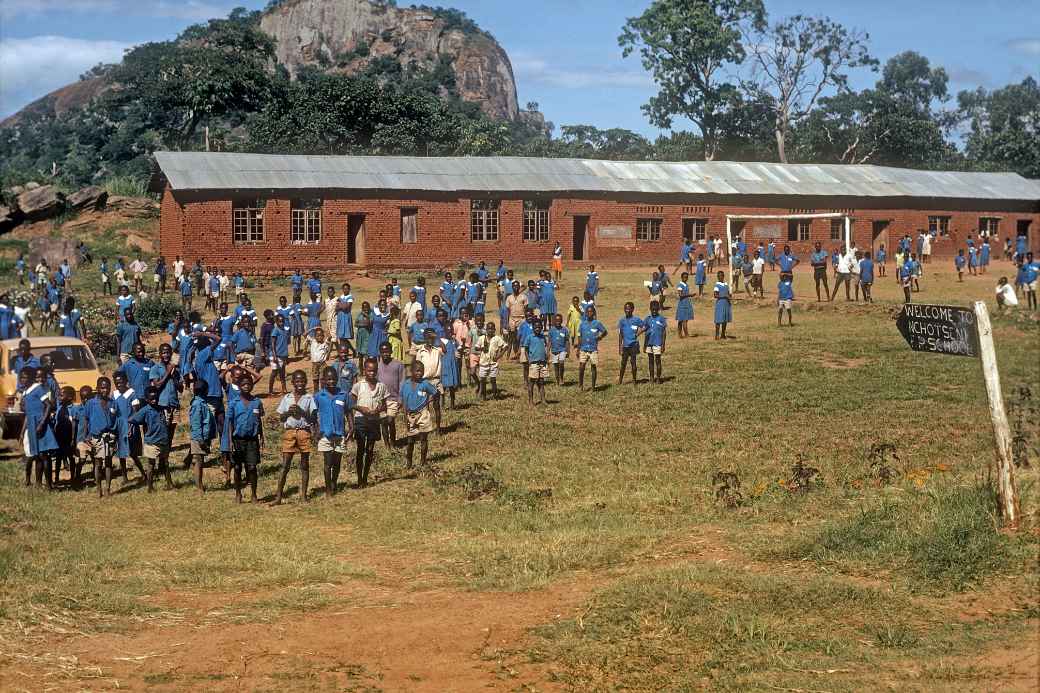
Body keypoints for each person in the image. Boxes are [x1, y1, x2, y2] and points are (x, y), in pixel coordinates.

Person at [273, 370, 316, 504]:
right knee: (285, 465)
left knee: (304, 465)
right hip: (290, 432)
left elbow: (313, 418)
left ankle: (303, 496)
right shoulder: (287, 398)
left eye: (302, 381)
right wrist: (288, 413)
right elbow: (281, 417)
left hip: (304, 432)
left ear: (306, 382)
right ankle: (278, 497)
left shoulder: (309, 398)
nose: (300, 384)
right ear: (292, 383)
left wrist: (302, 412)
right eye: (297, 381)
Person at [227, 373, 264, 504]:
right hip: (238, 440)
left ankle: (254, 494)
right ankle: (238, 494)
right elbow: (230, 423)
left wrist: (262, 437)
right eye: (243, 384)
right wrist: (230, 441)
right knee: (237, 467)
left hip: (252, 440)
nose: (246, 386)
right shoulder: (234, 403)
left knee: (252, 467)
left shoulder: (257, 402)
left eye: (249, 384)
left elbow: (259, 421)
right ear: (239, 386)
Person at [351, 358, 388, 488]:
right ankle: (359, 479)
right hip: (361, 419)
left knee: (370, 449)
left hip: (374, 420)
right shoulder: (359, 385)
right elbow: (352, 404)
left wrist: (378, 410)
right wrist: (362, 408)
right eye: (369, 370)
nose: (371, 373)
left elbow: (384, 405)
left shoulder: (381, 386)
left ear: (377, 371)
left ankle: (365, 478)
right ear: (364, 370)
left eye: (374, 371)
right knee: (360, 449)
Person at [19, 367, 58, 489]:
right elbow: (28, 414)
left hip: (40, 425)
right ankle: (38, 483)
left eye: (25, 377)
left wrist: (42, 423)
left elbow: (48, 405)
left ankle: (49, 485)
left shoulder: (38, 389)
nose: (22, 380)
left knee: (44, 455)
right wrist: (22, 432)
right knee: (37, 456)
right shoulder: (25, 392)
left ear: (31, 378)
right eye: (21, 377)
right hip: (31, 426)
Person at [128, 386, 172, 492]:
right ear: (147, 399)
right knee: (151, 465)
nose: (154, 400)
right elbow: (132, 419)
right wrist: (134, 427)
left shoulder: (161, 409)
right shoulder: (145, 411)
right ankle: (150, 487)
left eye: (156, 398)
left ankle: (170, 484)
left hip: (163, 440)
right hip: (152, 442)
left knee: (166, 463)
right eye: (151, 399)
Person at [81, 376, 118, 498]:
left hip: (109, 436)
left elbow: (116, 420)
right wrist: (86, 436)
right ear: (97, 388)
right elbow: (86, 419)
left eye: (107, 388)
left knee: (108, 463)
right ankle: (98, 489)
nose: (105, 390)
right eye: (102, 388)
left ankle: (107, 488)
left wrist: (116, 436)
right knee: (97, 463)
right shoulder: (91, 403)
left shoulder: (113, 402)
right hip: (96, 436)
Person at [400, 361, 438, 472]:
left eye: (421, 371)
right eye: (417, 371)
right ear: (411, 371)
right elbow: (404, 402)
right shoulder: (406, 385)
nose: (419, 373)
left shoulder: (425, 383)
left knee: (423, 438)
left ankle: (423, 461)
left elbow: (435, 392)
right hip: (410, 414)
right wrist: (405, 416)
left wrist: (430, 399)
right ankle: (409, 461)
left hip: (423, 413)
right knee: (410, 439)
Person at [188, 380, 216, 494]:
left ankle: (200, 485)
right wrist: (200, 440)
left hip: (203, 436)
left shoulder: (202, 403)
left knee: (200, 461)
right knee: (198, 461)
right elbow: (196, 423)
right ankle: (199, 487)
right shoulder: (197, 404)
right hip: (199, 438)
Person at [377, 342, 406, 448]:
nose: (385, 354)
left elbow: (402, 381)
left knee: (390, 420)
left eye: (387, 351)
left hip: (393, 398)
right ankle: (387, 444)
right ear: (380, 352)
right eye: (383, 352)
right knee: (383, 422)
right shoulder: (378, 366)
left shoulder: (398, 365)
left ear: (391, 351)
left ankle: (393, 442)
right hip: (381, 400)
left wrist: (400, 398)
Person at [576, 306, 607, 392]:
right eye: (588, 312)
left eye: (591, 312)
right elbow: (579, 337)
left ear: (593, 313)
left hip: (593, 349)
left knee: (593, 367)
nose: (589, 313)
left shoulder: (597, 323)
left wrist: (600, 337)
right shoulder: (582, 324)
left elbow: (605, 331)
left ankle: (593, 387)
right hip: (583, 349)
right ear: (585, 313)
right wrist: (578, 349)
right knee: (581, 367)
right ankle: (580, 385)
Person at [617, 302, 644, 386]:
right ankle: (620, 380)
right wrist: (620, 347)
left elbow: (644, 326)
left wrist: (638, 333)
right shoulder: (622, 321)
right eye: (625, 308)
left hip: (633, 344)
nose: (627, 310)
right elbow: (620, 334)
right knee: (623, 363)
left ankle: (634, 380)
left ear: (632, 309)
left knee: (633, 362)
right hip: (625, 346)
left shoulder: (636, 320)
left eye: (629, 308)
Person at [523, 319, 549, 405]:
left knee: (541, 382)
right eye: (535, 327)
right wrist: (529, 360)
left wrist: (546, 357)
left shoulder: (543, 337)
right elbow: (526, 349)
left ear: (541, 327)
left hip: (542, 362)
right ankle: (531, 401)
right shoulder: (529, 337)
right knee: (532, 382)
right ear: (533, 328)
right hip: (534, 363)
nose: (537, 329)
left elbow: (545, 347)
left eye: (539, 327)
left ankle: (543, 400)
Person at [643, 301, 667, 385]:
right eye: (652, 310)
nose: (654, 311)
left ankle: (658, 378)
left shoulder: (661, 319)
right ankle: (651, 378)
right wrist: (644, 345)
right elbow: (645, 332)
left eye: (656, 310)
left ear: (658, 309)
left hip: (658, 343)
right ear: (650, 309)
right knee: (650, 361)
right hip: (649, 343)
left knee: (658, 360)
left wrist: (663, 344)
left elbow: (664, 332)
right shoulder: (647, 319)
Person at [548, 313, 570, 387]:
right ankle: (557, 380)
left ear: (561, 321)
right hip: (554, 351)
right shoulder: (551, 330)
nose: (557, 322)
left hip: (562, 350)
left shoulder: (565, 330)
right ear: (554, 321)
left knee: (561, 362)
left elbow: (567, 341)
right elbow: (549, 341)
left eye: (559, 320)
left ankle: (561, 378)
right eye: (556, 320)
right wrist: (547, 351)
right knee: (556, 366)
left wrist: (568, 351)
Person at [713, 271, 733, 340]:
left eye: (722, 276)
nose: (720, 277)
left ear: (723, 276)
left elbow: (728, 293)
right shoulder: (716, 285)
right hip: (720, 304)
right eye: (719, 276)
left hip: (726, 303)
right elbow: (715, 295)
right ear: (717, 277)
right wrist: (724, 296)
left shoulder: (726, 284)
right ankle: (716, 335)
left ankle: (723, 334)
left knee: (725, 320)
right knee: (718, 320)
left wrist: (729, 296)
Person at [675, 272, 694, 338]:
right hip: (682, 303)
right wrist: (690, 295)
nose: (686, 278)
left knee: (682, 319)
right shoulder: (680, 285)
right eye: (684, 277)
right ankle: (686, 334)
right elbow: (680, 295)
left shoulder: (686, 284)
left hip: (686, 302)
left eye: (686, 277)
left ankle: (680, 334)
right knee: (684, 319)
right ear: (682, 277)